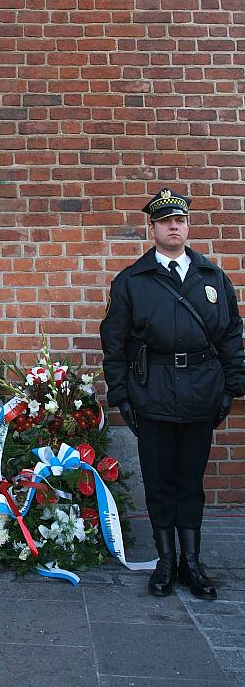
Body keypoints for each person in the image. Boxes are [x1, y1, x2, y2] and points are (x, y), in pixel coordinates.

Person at [100, 188, 245, 600]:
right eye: (165, 221)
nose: (174, 226)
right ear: (152, 228)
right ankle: (166, 562)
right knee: (160, 480)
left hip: (202, 390)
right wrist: (122, 396)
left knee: (190, 480)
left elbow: (231, 336)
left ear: (188, 225)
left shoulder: (213, 277)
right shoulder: (132, 281)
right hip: (154, 391)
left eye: (180, 220)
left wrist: (232, 389)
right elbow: (115, 343)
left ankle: (192, 563)